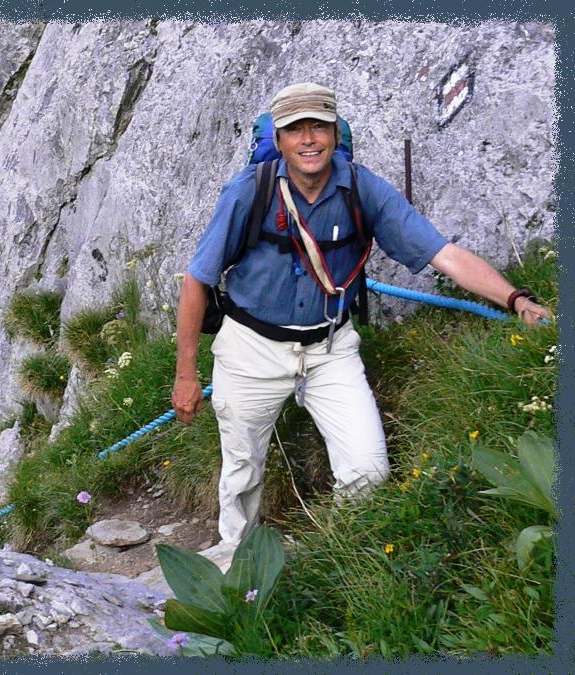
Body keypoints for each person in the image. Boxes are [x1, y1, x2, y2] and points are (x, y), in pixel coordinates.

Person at [171, 82, 553, 547]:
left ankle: (340, 558)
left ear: (335, 132)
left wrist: (516, 300)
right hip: (250, 350)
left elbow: (443, 254)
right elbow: (198, 280)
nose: (309, 139)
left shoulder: (363, 190)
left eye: (320, 127)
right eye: (296, 129)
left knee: (368, 470)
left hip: (331, 348)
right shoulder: (248, 193)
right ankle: (238, 566)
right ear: (280, 138)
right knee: (243, 472)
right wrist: (186, 374)